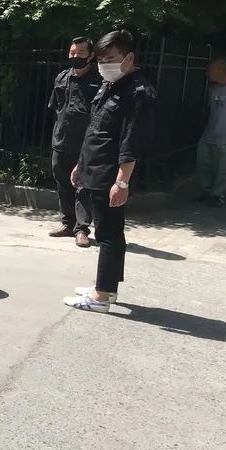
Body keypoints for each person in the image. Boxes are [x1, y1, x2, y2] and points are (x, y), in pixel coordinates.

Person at [63, 30, 156, 313]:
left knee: (108, 234)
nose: (105, 65)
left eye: (111, 59)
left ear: (129, 58)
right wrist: (81, 164)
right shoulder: (111, 86)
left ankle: (101, 296)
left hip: (110, 174)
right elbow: (96, 130)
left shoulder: (138, 92)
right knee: (110, 232)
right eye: (101, 60)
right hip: (94, 168)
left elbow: (131, 141)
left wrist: (122, 182)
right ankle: (107, 287)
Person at [47, 37, 100, 247]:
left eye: (81, 53)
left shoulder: (99, 81)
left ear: (91, 55)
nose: (75, 56)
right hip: (61, 140)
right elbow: (56, 107)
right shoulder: (62, 77)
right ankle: (67, 223)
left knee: (83, 186)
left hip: (85, 143)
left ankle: (82, 229)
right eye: (72, 53)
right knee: (62, 184)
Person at [195, 57, 226, 208]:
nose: (207, 74)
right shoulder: (213, 88)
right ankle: (207, 190)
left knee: (222, 168)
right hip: (210, 133)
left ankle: (217, 195)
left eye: (209, 70)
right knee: (203, 163)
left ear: (219, 70)